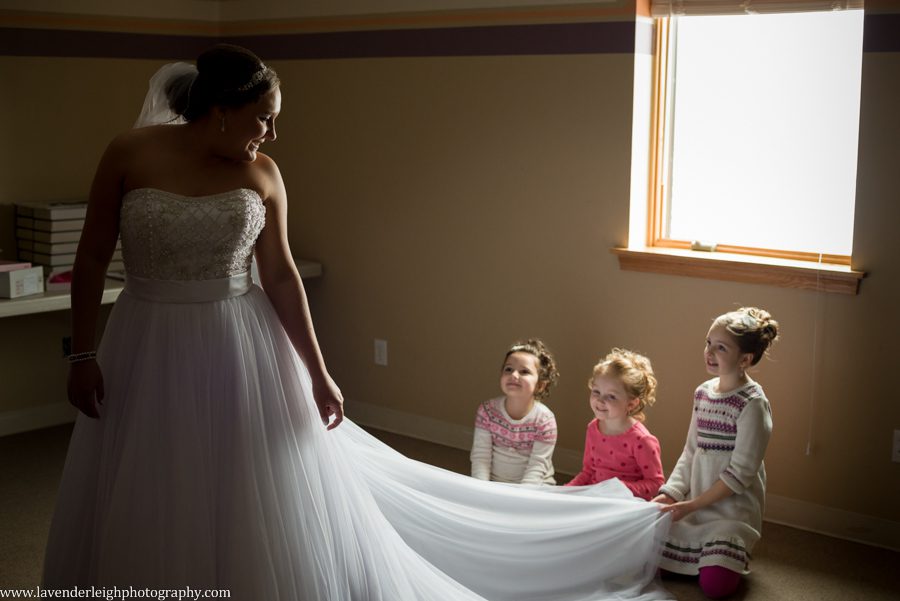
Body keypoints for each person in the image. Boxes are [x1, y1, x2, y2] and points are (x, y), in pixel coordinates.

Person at [43, 44, 674, 601]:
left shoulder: (261, 174)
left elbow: (282, 277)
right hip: (146, 336)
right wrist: (82, 355)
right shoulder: (129, 153)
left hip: (238, 340)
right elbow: (91, 256)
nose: (271, 133)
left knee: (244, 481)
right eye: (263, 118)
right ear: (223, 109)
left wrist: (319, 374)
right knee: (150, 470)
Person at [652, 307, 779, 599]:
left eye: (721, 347)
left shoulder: (752, 404)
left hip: (730, 514)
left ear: (745, 359)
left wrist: (691, 506)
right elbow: (690, 451)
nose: (709, 352)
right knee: (648, 562)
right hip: (694, 507)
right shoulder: (703, 393)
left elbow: (739, 475)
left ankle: (724, 556)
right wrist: (671, 494)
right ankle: (701, 557)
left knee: (716, 588)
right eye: (708, 343)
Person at [565, 349, 664, 500]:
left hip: (625, 503)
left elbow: (655, 484)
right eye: (596, 391)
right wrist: (566, 491)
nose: (600, 400)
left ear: (631, 404)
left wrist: (617, 488)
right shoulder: (593, 428)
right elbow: (588, 471)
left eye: (611, 396)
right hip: (596, 497)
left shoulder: (642, 440)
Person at [470, 339, 559, 485]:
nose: (514, 375)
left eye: (524, 371)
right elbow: (480, 458)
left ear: (540, 385)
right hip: (494, 483)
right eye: (509, 369)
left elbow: (537, 467)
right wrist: (482, 489)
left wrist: (521, 496)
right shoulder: (487, 411)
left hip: (534, 486)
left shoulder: (545, 420)